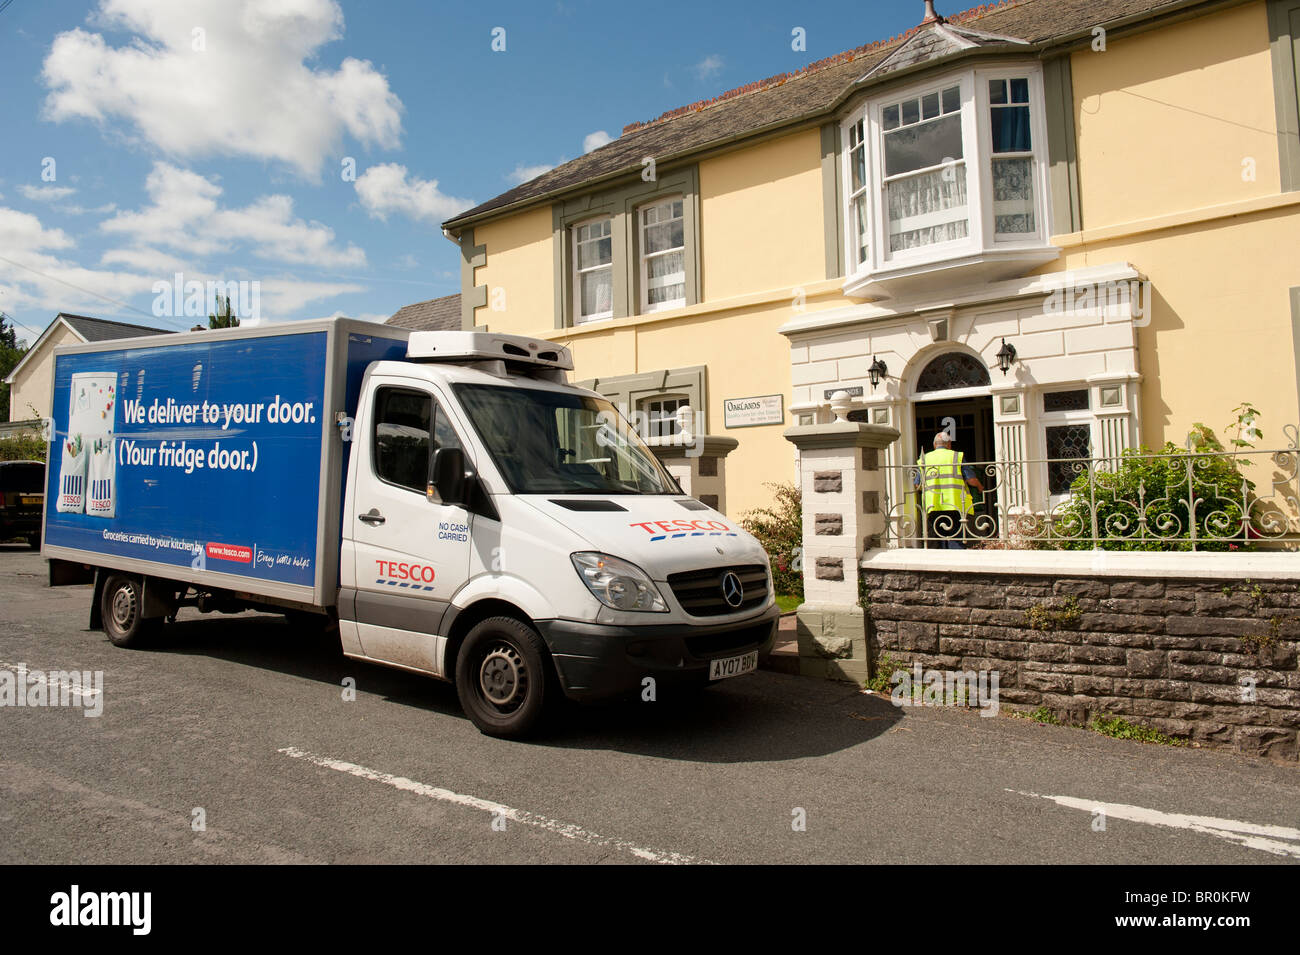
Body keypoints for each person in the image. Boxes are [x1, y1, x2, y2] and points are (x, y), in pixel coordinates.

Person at [914, 432, 984, 549]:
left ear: (934, 445)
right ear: (949, 444)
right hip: (955, 504)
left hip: (933, 504)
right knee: (956, 538)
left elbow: (917, 484)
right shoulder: (956, 456)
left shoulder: (925, 458)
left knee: (938, 539)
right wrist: (979, 486)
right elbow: (971, 479)